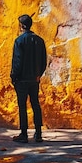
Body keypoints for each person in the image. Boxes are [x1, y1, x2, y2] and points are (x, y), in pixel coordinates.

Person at [11, 14, 47, 143]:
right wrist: (38, 74)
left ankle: (24, 133)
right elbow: (44, 61)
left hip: (22, 79)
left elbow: (17, 61)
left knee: (22, 106)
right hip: (34, 79)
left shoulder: (19, 41)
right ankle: (38, 133)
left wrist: (14, 76)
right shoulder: (39, 40)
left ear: (21, 26)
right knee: (35, 104)